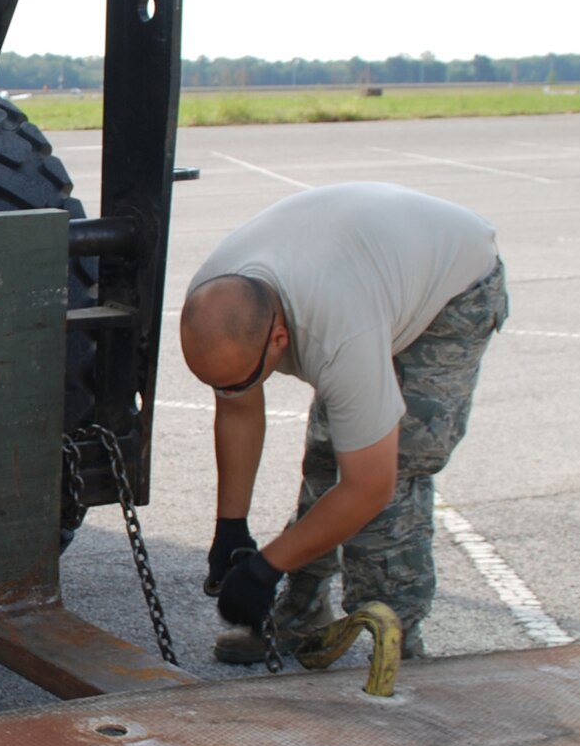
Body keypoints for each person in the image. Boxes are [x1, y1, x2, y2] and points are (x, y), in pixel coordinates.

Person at [180, 182, 508, 664]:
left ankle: (395, 645)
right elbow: (237, 407)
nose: (232, 390)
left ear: (279, 338)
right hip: (370, 265)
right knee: (326, 460)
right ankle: (301, 616)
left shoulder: (338, 334)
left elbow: (369, 486)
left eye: (245, 377)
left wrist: (266, 567)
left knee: (395, 471)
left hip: (453, 287)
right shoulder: (219, 301)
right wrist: (231, 528)